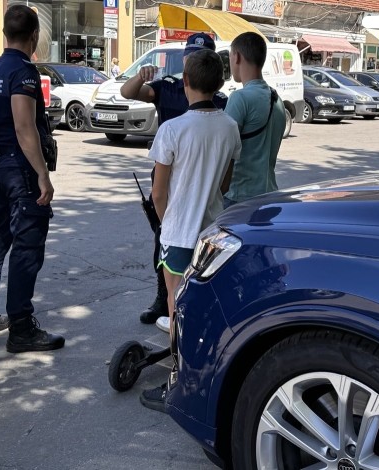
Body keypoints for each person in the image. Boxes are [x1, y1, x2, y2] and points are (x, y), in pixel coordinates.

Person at [139, 48, 241, 412]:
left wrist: (167, 224)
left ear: (185, 83)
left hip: (179, 235)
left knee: (176, 305)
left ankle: (181, 379)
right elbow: (225, 184)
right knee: (208, 305)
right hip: (213, 234)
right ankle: (207, 368)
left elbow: (158, 191)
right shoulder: (230, 127)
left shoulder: (172, 129)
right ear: (220, 84)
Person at [0, 4, 64, 353]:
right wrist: (42, 175)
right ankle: (21, 328)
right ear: (35, 36)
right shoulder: (23, 73)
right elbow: (26, 129)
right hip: (19, 169)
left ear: (5, 34)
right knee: (26, 247)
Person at [120, 33, 228, 331]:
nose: (192, 60)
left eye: (198, 56)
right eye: (191, 55)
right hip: (174, 192)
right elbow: (129, 93)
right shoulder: (167, 89)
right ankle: (162, 301)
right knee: (167, 253)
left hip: (186, 200)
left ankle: (179, 337)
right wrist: (140, 76)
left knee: (185, 266)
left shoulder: (219, 104)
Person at [222, 31, 286, 209]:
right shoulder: (276, 99)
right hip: (269, 194)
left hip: (239, 197)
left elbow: (224, 151)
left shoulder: (240, 98)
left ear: (236, 57)